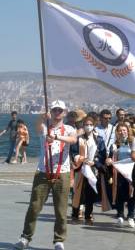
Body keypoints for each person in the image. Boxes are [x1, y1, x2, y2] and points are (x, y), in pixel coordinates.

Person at [15, 100, 78, 250]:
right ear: (51, 112)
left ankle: (59, 240)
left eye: (60, 110)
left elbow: (73, 140)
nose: (57, 113)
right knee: (34, 207)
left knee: (61, 209)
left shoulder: (69, 128)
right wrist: (42, 117)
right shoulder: (44, 128)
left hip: (62, 173)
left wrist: (56, 137)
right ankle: (25, 237)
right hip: (43, 172)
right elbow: (37, 126)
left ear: (64, 112)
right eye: (54, 110)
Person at [106, 122, 135, 228]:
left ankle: (131, 216)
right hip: (118, 173)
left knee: (132, 195)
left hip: (131, 173)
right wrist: (108, 160)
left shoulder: (133, 143)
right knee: (119, 195)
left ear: (128, 131)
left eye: (124, 130)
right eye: (120, 130)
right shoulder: (114, 145)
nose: (122, 132)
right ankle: (120, 215)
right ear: (117, 133)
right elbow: (110, 157)